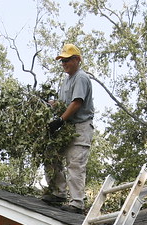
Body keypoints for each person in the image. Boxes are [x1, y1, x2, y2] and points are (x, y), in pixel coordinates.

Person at [43, 43, 96, 213]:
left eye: (67, 60)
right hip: (67, 128)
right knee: (51, 154)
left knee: (75, 164)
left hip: (80, 128)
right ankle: (59, 192)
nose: (64, 64)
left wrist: (59, 120)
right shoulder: (66, 81)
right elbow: (64, 103)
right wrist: (51, 104)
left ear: (77, 59)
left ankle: (77, 203)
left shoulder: (81, 77)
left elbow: (77, 103)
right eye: (62, 61)